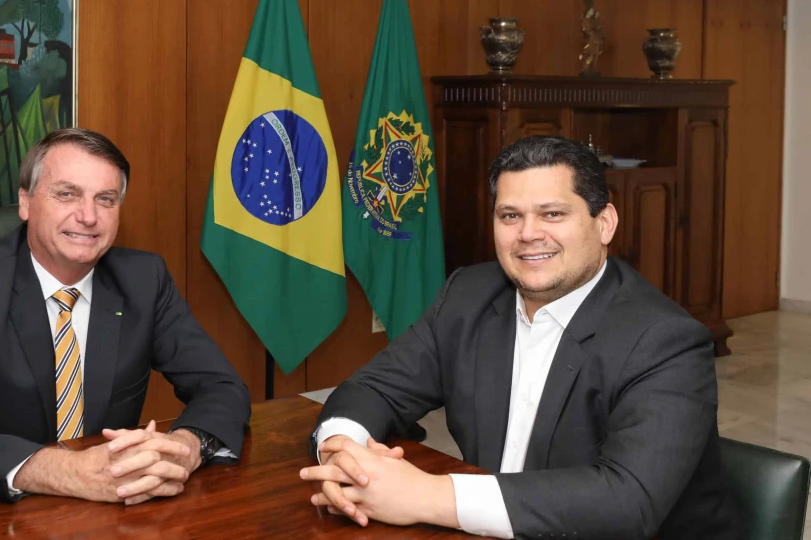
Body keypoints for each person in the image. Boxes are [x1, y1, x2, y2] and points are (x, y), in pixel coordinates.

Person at [301, 135, 739, 539]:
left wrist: (429, 495)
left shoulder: (665, 340)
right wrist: (343, 456)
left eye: (553, 213)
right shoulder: (468, 294)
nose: (528, 234)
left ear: (604, 223)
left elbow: (627, 501)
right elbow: (375, 388)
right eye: (510, 215)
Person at [0, 128, 250, 505]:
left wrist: (185, 448)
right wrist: (64, 471)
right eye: (67, 194)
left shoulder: (144, 280)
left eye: (105, 199)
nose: (88, 216)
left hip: (115, 511)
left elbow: (223, 388)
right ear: (25, 202)